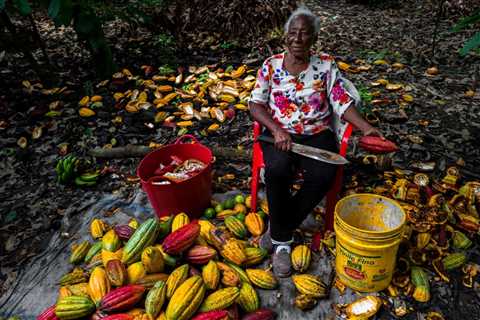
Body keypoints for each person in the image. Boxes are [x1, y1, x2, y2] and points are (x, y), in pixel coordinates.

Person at [248, 5, 383, 277]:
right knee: (276, 170)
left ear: (314, 39)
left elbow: (341, 102)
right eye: (292, 33)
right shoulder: (271, 65)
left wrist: (366, 127)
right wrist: (276, 129)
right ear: (285, 36)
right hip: (279, 132)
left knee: (325, 174)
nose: (297, 39)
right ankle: (284, 245)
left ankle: (277, 231)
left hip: (317, 133)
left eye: (304, 34)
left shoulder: (325, 65)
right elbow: (255, 105)